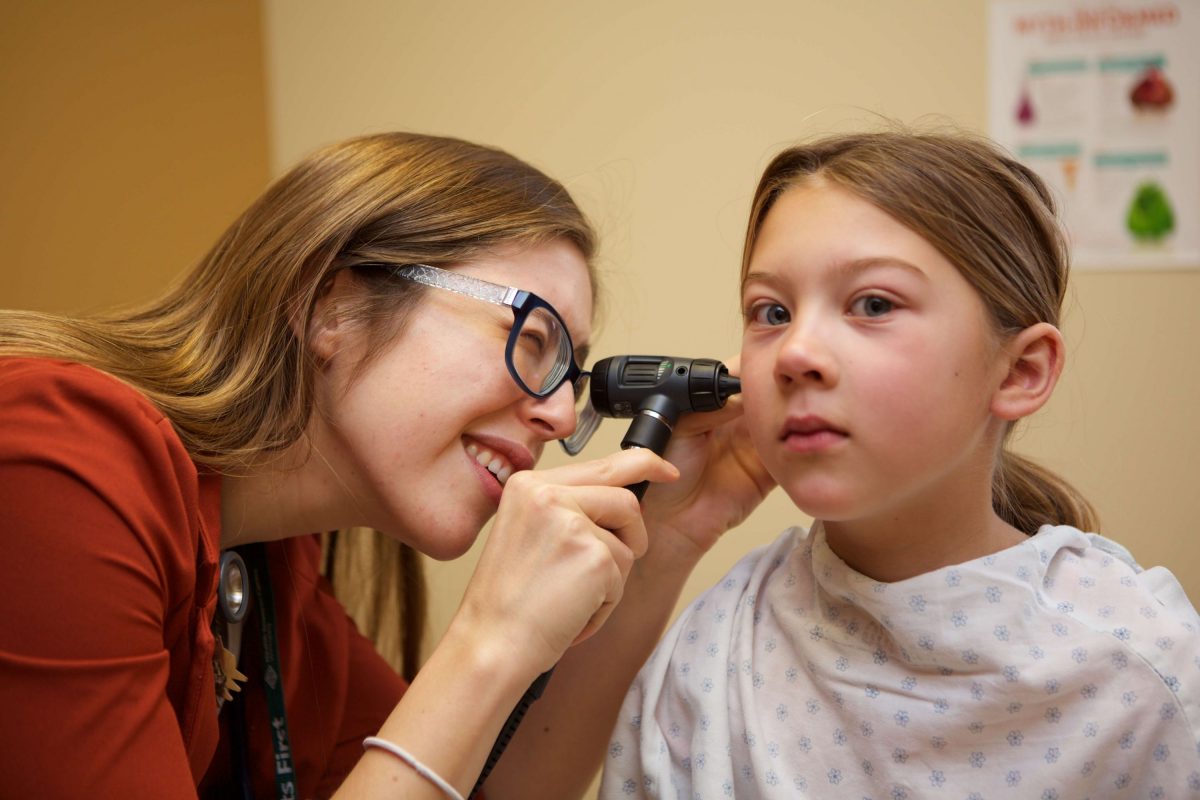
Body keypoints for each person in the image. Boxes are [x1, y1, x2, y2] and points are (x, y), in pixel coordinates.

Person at [0, 132, 773, 800]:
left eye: (569, 376)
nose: (563, 417)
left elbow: (481, 787)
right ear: (329, 303)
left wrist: (667, 536)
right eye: (531, 339)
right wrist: (491, 634)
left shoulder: (274, 570)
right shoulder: (54, 462)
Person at [600, 130, 1200, 798]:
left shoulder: (1148, 672)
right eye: (772, 312)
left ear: (1021, 371)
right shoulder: (713, 653)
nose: (796, 353)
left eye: (874, 305)